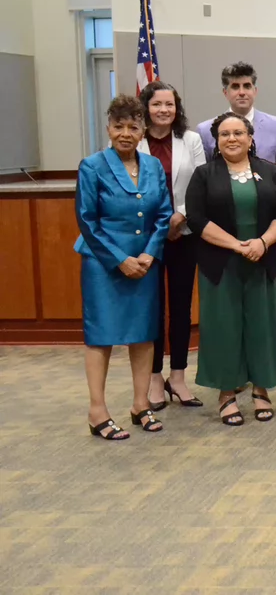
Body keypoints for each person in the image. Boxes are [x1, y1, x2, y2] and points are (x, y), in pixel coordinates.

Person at [186, 113, 276, 426]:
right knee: (224, 327)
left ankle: (261, 390)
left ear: (250, 138)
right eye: (224, 134)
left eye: (237, 133)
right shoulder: (205, 174)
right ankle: (226, 394)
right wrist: (236, 245)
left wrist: (262, 242)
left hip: (262, 261)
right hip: (220, 264)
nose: (231, 139)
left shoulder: (269, 172)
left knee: (262, 325)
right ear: (217, 141)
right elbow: (196, 219)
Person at [76, 95, 173, 440]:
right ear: (108, 128)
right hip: (103, 264)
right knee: (100, 336)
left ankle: (140, 404)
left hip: (145, 264)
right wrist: (120, 259)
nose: (126, 133)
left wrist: (149, 253)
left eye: (133, 126)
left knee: (143, 334)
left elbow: (163, 214)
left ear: (143, 130)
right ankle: (97, 410)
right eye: (119, 126)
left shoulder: (152, 167)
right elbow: (87, 221)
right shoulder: (92, 166)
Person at [137, 81, 207, 411]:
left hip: (183, 233)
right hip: (145, 237)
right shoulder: (133, 141)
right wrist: (158, 226)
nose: (164, 110)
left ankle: (177, 377)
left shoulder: (190, 140)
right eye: (156, 104)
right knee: (153, 309)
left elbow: (200, 183)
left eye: (169, 104)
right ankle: (153, 378)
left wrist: (178, 218)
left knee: (180, 308)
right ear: (145, 107)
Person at [196, 62, 276, 163]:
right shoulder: (206, 130)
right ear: (225, 93)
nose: (242, 92)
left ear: (255, 91)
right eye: (235, 87)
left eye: (247, 86)